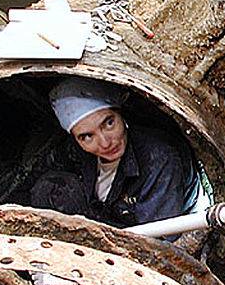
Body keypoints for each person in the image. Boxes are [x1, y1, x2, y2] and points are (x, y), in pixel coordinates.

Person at [30, 76, 200, 230]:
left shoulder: (158, 159)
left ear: (120, 113)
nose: (105, 143)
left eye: (109, 123)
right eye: (87, 136)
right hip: (104, 213)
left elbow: (160, 236)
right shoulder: (77, 149)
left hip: (140, 227)